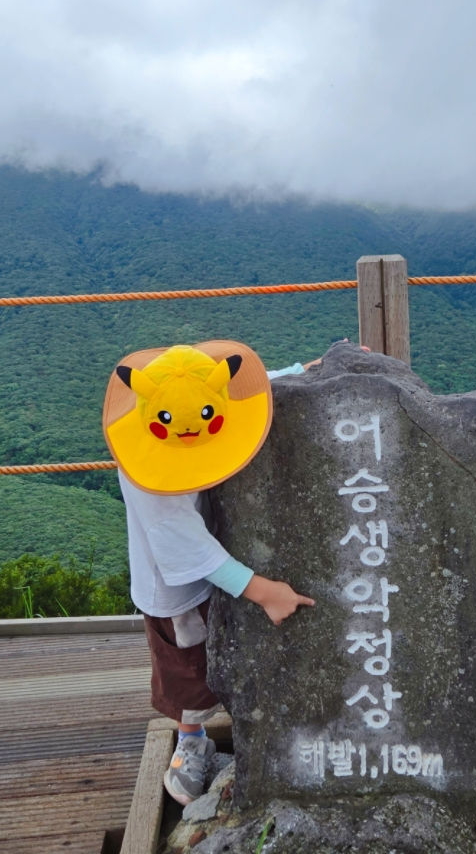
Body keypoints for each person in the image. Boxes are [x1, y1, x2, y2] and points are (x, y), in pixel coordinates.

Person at [102, 342, 318, 805]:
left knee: (225, 649)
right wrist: (263, 591)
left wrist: (306, 369)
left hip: (218, 554)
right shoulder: (149, 474)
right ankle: (191, 740)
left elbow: (240, 391)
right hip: (174, 587)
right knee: (188, 668)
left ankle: (239, 723)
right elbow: (184, 547)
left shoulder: (176, 409)